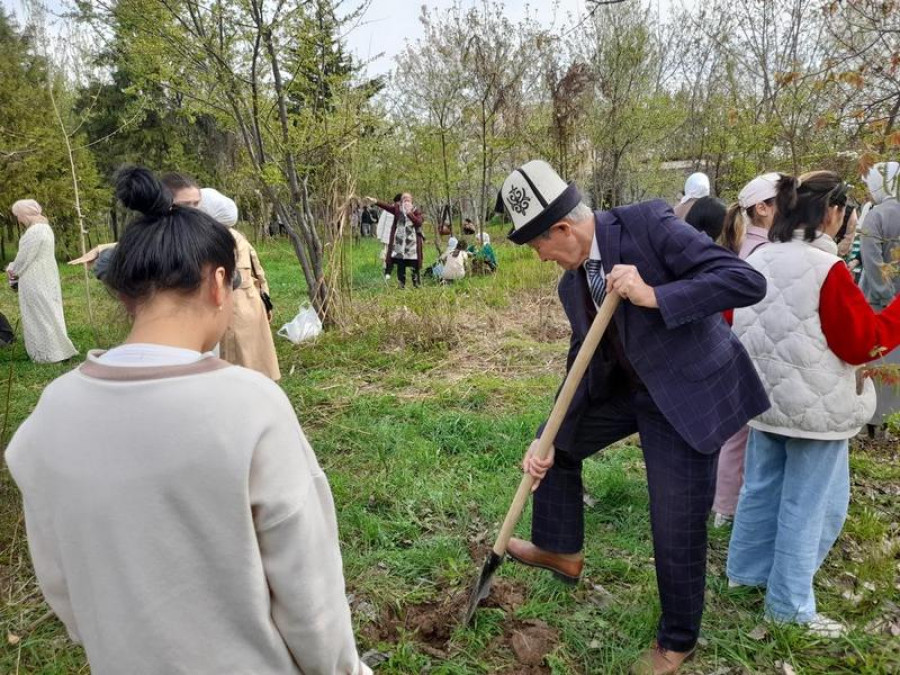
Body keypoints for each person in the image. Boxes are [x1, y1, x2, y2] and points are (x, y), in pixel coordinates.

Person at [5, 167, 370, 675]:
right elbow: (309, 591)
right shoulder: (251, 407)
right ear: (219, 283)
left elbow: (60, 582)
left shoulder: (51, 412)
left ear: (124, 293)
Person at [498, 160, 768, 675]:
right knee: (560, 444)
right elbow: (583, 360)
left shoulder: (647, 224)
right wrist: (546, 437)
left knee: (675, 519)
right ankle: (561, 549)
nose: (542, 258)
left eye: (540, 247)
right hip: (633, 392)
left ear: (563, 228)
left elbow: (742, 280)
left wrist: (654, 294)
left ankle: (678, 639)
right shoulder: (571, 284)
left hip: (688, 393)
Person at [727, 170, 900, 638]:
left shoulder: (758, 258)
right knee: (813, 505)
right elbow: (861, 344)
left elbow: (733, 322)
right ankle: (788, 605)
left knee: (760, 489)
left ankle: (744, 573)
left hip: (764, 399)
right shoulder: (828, 270)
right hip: (814, 411)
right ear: (834, 213)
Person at [712, 172, 782, 527]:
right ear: (763, 208)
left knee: (734, 431)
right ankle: (727, 507)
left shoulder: (743, 244)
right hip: (749, 350)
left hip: (732, 345)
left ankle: (724, 504)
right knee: (741, 433)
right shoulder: (763, 252)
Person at [200, 188, 281, 381]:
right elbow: (259, 274)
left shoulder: (216, 240)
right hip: (249, 305)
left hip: (232, 308)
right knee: (251, 364)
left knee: (234, 366)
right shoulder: (236, 236)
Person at [6, 200, 78, 363]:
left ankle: (48, 354)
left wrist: (12, 270)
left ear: (24, 214)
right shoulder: (45, 228)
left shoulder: (34, 232)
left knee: (39, 314)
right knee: (50, 311)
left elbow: (24, 257)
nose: (18, 220)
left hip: (34, 277)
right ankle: (59, 349)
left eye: (18, 216)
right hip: (46, 274)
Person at [858, 161, 900, 434]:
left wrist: (885, 297)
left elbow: (872, 263)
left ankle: (873, 424)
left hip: (878, 304)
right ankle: (891, 422)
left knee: (878, 363)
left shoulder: (876, 216)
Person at [368, 192, 424, 288]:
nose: (406, 200)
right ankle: (401, 284)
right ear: (401, 201)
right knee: (400, 262)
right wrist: (375, 201)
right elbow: (387, 207)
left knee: (414, 263)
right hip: (400, 242)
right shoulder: (397, 209)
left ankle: (416, 284)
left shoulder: (416, 210)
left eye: (408, 198)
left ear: (411, 200)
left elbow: (418, 223)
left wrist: (409, 213)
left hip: (412, 243)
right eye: (404, 198)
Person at [375, 194, 398, 280]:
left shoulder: (402, 211)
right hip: (387, 237)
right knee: (387, 252)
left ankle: (391, 268)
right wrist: (379, 235)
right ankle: (386, 268)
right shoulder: (387, 210)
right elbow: (381, 223)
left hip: (397, 238)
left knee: (395, 253)